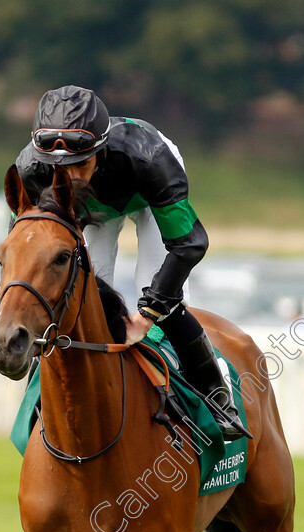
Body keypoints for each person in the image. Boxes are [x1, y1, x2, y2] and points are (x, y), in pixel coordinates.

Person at [15, 84, 249, 440]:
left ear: (100, 149)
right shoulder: (30, 170)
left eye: (80, 164)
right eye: (59, 168)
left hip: (145, 193)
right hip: (95, 212)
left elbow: (190, 243)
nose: (72, 177)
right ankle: (42, 404)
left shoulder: (150, 159)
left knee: (159, 296)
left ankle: (217, 397)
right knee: (79, 297)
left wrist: (149, 310)